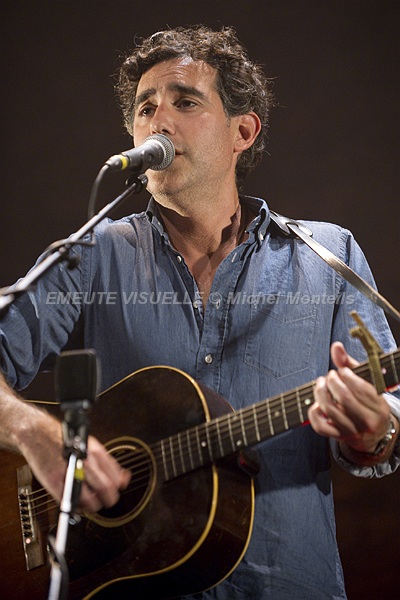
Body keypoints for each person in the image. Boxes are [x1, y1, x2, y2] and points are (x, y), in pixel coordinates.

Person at [0, 25, 399, 600]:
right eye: (145, 108)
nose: (158, 120)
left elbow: (387, 414)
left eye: (185, 102)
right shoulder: (92, 254)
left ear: (243, 131)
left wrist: (375, 431)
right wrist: (33, 430)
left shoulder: (329, 256)